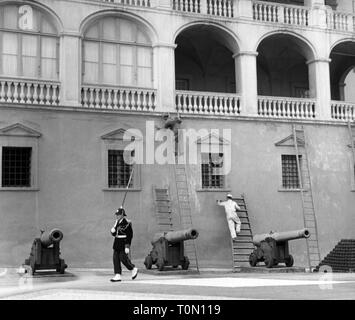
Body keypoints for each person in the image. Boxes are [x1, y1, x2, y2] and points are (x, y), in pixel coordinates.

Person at [110, 206, 138, 282]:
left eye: (118, 214)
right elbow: (115, 233)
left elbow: (129, 235)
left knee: (123, 258)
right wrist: (113, 231)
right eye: (116, 214)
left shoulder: (127, 223)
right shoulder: (117, 222)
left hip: (123, 242)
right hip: (116, 243)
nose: (117, 216)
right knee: (115, 259)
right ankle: (117, 274)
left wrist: (127, 246)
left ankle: (133, 268)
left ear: (122, 214)